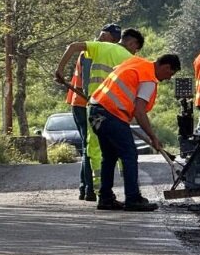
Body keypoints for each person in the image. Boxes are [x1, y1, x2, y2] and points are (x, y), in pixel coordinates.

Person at [54, 26, 145, 202]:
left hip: (95, 106)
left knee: (95, 147)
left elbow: (72, 46)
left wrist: (59, 70)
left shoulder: (101, 47)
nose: (136, 51)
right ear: (132, 43)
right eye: (136, 47)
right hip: (118, 110)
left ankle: (96, 190)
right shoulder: (132, 60)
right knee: (125, 151)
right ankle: (129, 191)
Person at [88, 53, 180, 212]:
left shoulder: (136, 62)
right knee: (129, 155)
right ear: (165, 67)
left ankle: (105, 198)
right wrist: (153, 137)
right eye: (170, 73)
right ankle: (133, 198)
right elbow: (139, 112)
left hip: (96, 110)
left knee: (109, 156)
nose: (168, 78)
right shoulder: (148, 79)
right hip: (112, 114)